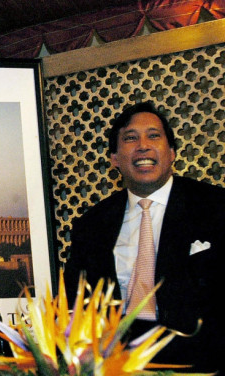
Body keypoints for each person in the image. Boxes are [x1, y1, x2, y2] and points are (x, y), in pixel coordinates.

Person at [64, 101, 223, 373]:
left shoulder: (215, 207)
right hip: (115, 364)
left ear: (172, 152)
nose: (143, 145)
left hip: (201, 362)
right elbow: (74, 303)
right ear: (114, 158)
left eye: (153, 135)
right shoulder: (91, 225)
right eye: (130, 138)